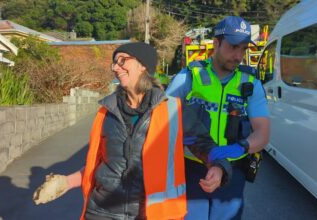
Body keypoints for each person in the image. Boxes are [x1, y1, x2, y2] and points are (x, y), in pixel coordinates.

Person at [32, 42, 231, 220]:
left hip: (150, 214)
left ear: (143, 65)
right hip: (101, 211)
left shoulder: (174, 110)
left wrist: (219, 166)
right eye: (114, 63)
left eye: (122, 60)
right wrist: (66, 182)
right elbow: (102, 165)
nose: (115, 67)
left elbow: (205, 144)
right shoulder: (106, 112)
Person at [166, 16, 270, 220]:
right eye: (233, 47)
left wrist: (238, 148)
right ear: (216, 43)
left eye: (243, 49)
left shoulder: (250, 83)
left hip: (233, 170)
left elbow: (263, 132)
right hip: (192, 168)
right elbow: (162, 120)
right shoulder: (188, 77)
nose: (238, 55)